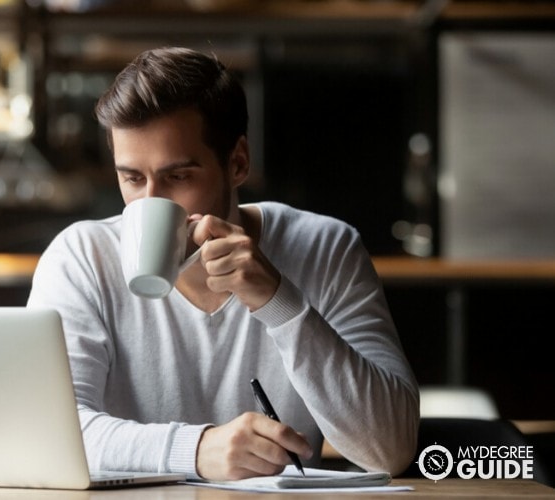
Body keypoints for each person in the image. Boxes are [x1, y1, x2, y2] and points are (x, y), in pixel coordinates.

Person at [27, 46, 419, 481]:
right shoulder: (82, 259)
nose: (150, 201)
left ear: (237, 162)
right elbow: (47, 436)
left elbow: (389, 449)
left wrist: (279, 302)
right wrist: (195, 449)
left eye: (178, 177)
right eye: (133, 178)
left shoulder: (326, 247)